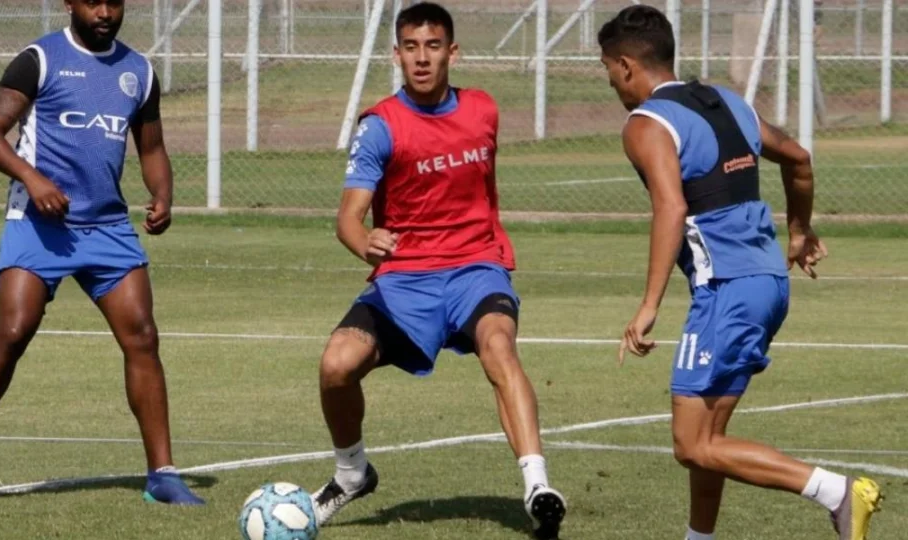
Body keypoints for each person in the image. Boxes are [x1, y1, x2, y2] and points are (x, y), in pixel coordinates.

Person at [601, 6, 882, 540]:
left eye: (608, 69)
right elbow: (798, 159)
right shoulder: (727, 102)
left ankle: (837, 492)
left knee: (691, 444)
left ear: (626, 65)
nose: (611, 81)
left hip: (726, 290)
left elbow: (671, 207)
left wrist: (648, 305)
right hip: (767, 283)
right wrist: (798, 230)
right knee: (710, 436)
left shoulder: (646, 124)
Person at [308, 3, 567, 538]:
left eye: (432, 46)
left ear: (453, 52)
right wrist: (365, 242)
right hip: (405, 279)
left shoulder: (483, 110)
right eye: (411, 47)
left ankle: (538, 487)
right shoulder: (380, 126)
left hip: (476, 268)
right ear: (396, 55)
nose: (421, 58)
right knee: (336, 364)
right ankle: (351, 473)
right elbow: (348, 220)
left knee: (498, 345)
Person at [0, 0, 203, 506]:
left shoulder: (139, 71)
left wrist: (163, 195)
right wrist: (33, 179)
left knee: (143, 337)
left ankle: (163, 476)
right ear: (69, 3)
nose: (104, 12)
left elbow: (151, 148)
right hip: (39, 225)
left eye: (114, 2)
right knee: (13, 331)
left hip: (107, 227)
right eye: (92, 1)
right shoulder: (38, 60)